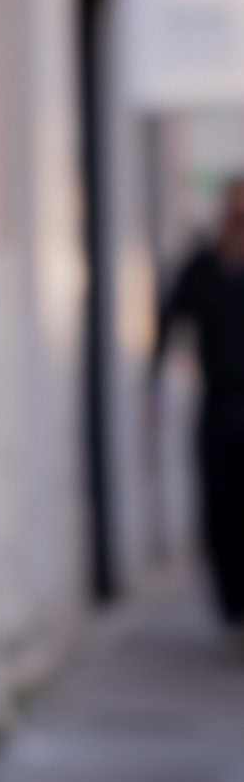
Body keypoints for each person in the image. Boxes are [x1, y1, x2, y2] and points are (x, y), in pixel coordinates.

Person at [157, 175, 244, 633]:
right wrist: (157, 387)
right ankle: (232, 607)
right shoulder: (204, 266)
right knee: (220, 508)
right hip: (218, 403)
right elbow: (168, 320)